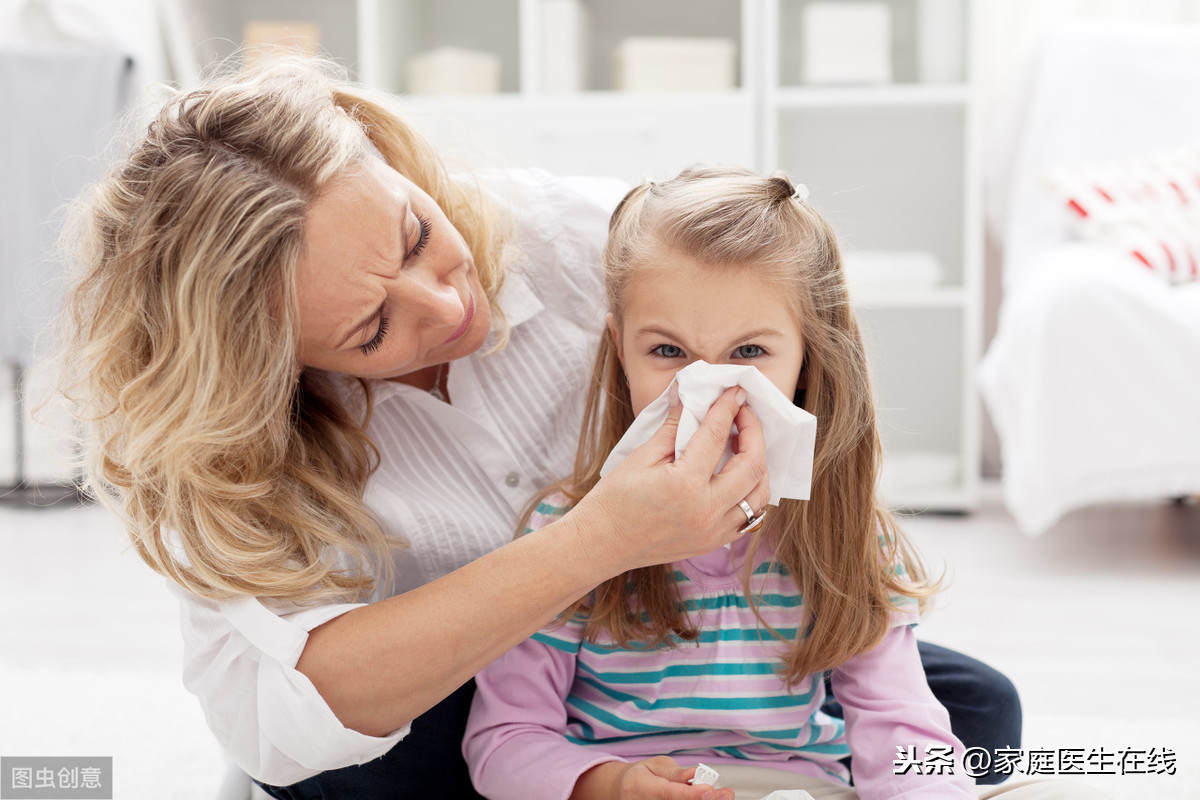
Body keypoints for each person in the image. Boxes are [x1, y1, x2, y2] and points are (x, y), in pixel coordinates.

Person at [53, 57, 1015, 798]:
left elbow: (779, 319)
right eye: (372, 328)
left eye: (419, 236)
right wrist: (597, 542)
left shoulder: (595, 247)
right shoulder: (221, 444)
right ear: (271, 361)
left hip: (656, 658)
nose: (445, 305)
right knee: (358, 772)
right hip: (452, 698)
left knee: (973, 711)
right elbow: (285, 723)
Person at [462, 167, 1108, 800]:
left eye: (749, 353)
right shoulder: (563, 531)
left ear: (808, 358)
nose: (707, 388)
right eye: (667, 351)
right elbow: (505, 741)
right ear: (620, 346)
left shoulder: (842, 536)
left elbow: (902, 733)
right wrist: (611, 784)